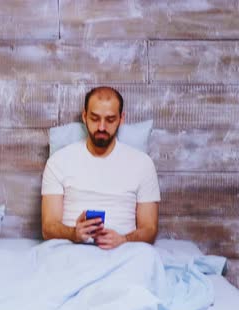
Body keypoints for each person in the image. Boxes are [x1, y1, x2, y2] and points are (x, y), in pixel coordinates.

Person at [41, 86, 160, 249]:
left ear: (121, 119)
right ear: (84, 116)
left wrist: (124, 240)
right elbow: (48, 227)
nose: (102, 127)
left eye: (110, 120)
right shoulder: (58, 161)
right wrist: (73, 233)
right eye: (95, 118)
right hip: (70, 251)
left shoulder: (143, 164)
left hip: (125, 252)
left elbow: (150, 230)